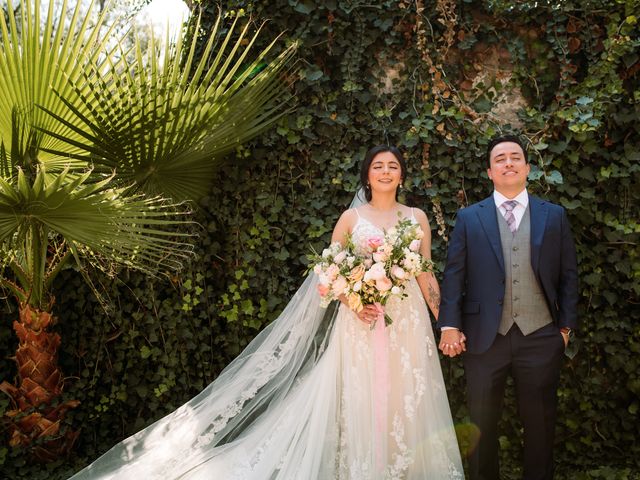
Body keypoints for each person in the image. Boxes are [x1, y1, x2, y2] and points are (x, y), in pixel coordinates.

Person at [69, 145, 463, 479]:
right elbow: (329, 276)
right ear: (366, 176)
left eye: (393, 166)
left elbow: (426, 274)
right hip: (362, 320)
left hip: (406, 324)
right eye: (378, 165)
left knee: (406, 394)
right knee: (362, 395)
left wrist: (445, 323)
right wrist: (356, 303)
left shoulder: (417, 218)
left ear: (402, 176)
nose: (385, 171)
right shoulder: (351, 220)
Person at [437, 134, 578, 480]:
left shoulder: (554, 215)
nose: (508, 163)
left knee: (541, 425)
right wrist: (449, 324)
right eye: (500, 159)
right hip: (485, 338)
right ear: (489, 172)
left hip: (541, 335)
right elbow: (454, 275)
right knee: (482, 424)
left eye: (516, 157)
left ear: (528, 168)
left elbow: (569, 276)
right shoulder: (470, 218)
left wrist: (564, 330)